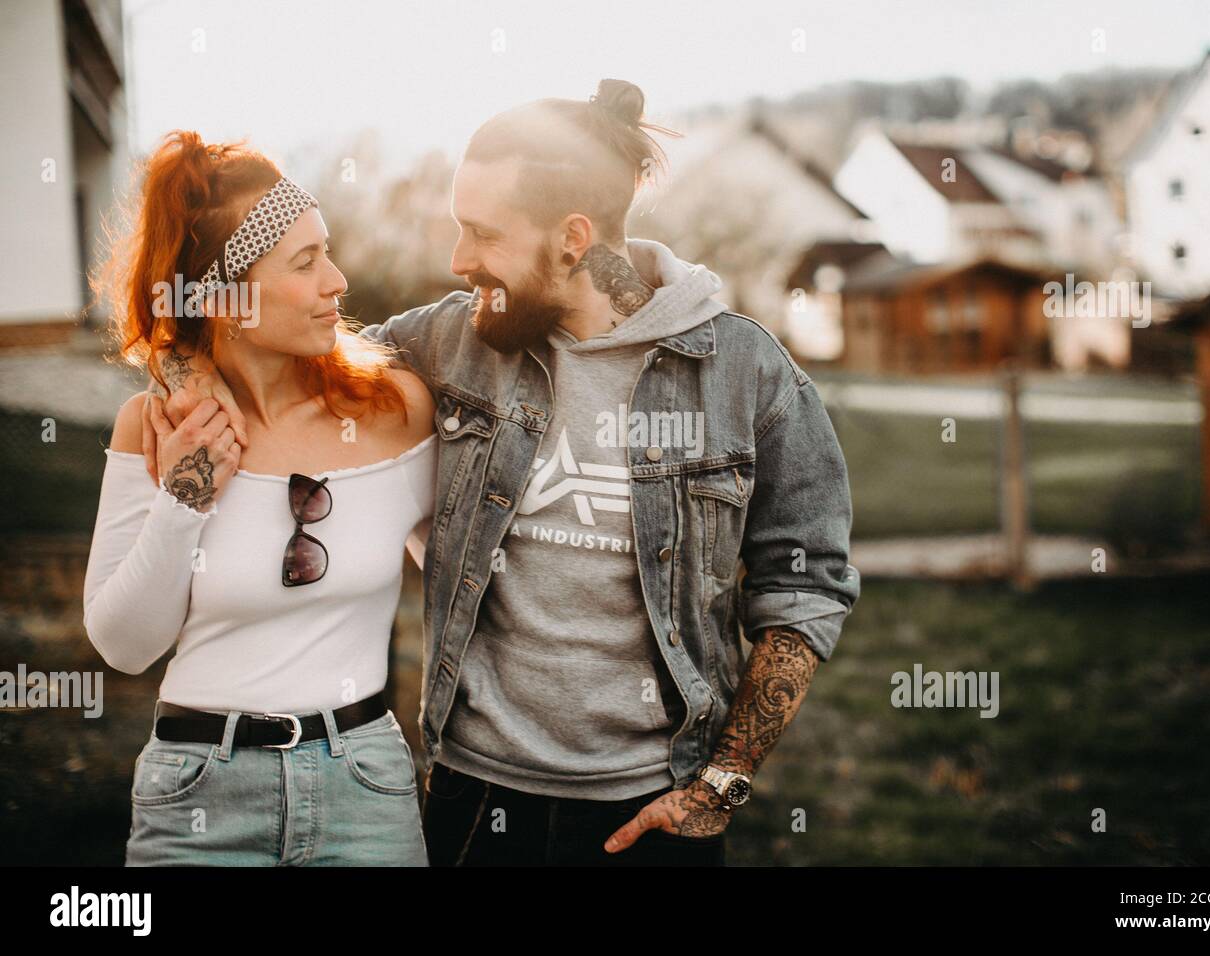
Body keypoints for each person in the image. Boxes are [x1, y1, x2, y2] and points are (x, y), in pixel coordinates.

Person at [151, 79, 861, 866]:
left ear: (573, 238)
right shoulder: (450, 344)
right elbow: (272, 349)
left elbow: (807, 589)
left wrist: (722, 784)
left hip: (652, 812)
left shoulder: (745, 376)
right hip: (471, 802)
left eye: (481, 234)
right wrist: (190, 371)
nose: (458, 261)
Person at [84, 130, 435, 866]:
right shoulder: (156, 427)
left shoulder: (392, 412)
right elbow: (125, 645)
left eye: (327, 250)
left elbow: (466, 581)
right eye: (305, 263)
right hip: (197, 792)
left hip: (364, 787)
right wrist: (189, 492)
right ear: (228, 298)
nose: (338, 280)